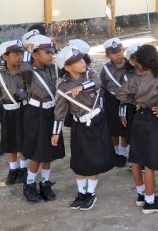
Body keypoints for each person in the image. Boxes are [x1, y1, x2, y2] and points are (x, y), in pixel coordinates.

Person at [53, 45, 114, 211]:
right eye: (77, 61)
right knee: (79, 160)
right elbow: (60, 110)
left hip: (95, 123)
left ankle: (90, 194)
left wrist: (81, 87)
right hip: (78, 126)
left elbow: (97, 82)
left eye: (81, 59)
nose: (82, 62)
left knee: (93, 160)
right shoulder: (63, 87)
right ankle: (81, 193)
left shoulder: (90, 73)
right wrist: (55, 132)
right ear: (67, 67)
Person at [116, 45, 158, 214]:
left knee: (136, 158)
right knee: (149, 163)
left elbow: (120, 94)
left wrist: (134, 102)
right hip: (153, 120)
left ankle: (141, 195)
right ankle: (150, 201)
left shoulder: (134, 79)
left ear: (139, 65)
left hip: (138, 118)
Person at [21, 35, 65, 203]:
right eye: (47, 52)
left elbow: (63, 61)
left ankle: (45, 183)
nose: (50, 55)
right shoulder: (29, 72)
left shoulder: (52, 68)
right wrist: (28, 51)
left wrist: (56, 46)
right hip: (35, 113)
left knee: (49, 151)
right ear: (35, 54)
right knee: (37, 153)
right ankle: (29, 184)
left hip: (50, 112)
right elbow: (24, 67)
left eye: (51, 52)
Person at [0, 40, 30, 185]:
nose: (19, 56)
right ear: (5, 57)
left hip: (23, 110)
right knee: (9, 142)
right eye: (15, 54)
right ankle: (13, 169)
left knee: (23, 142)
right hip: (7, 113)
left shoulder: (25, 72)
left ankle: (23, 169)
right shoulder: (0, 76)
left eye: (21, 53)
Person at [100, 38, 132, 167]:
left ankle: (123, 154)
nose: (118, 54)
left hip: (126, 100)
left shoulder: (130, 66)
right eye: (113, 52)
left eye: (119, 50)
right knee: (112, 129)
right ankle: (115, 153)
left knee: (124, 128)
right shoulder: (106, 69)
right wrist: (101, 106)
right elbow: (102, 87)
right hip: (111, 100)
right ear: (108, 55)